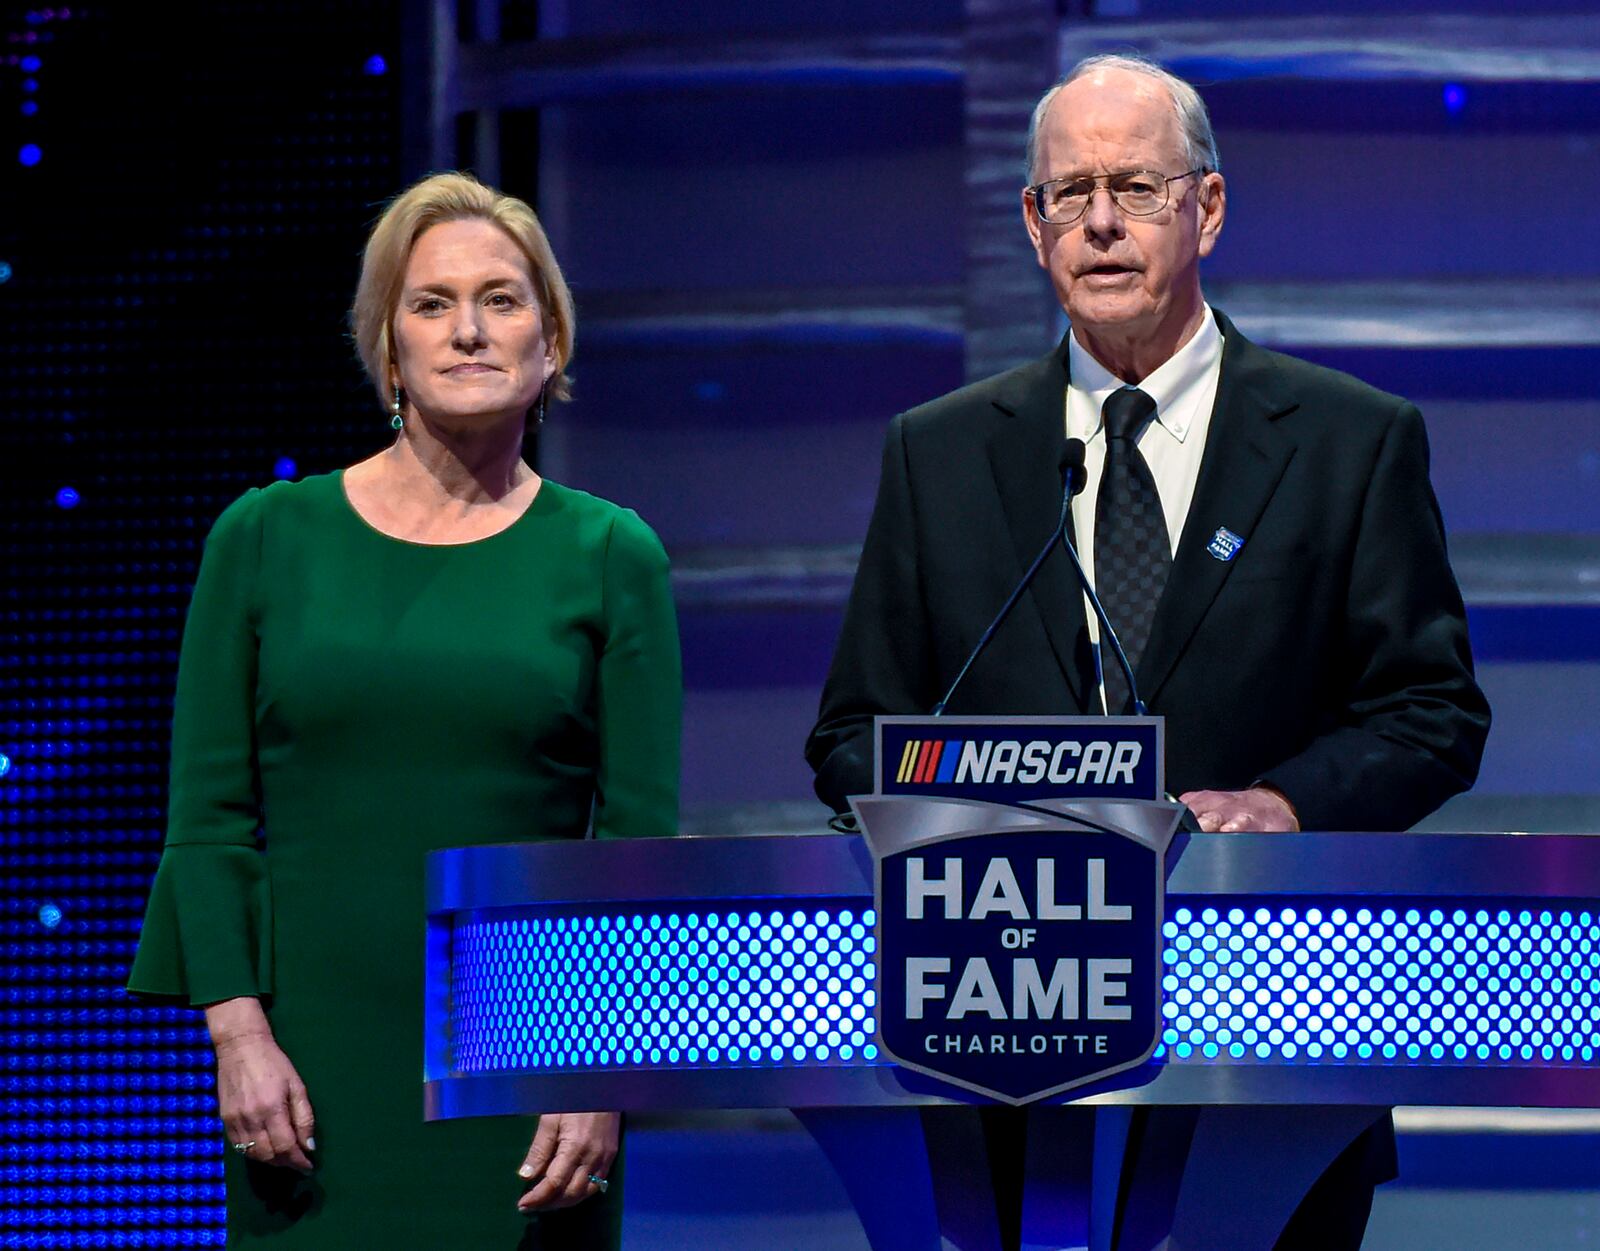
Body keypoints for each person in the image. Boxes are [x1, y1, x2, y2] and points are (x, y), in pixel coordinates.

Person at [806, 54, 1489, 1249]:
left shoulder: (1347, 441)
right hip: (991, 1045)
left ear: (1207, 209)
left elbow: (1430, 712)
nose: (1102, 223)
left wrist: (1282, 801)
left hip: (1268, 1035)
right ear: (1031, 225)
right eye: (1069, 195)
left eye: (1135, 186)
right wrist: (983, 815)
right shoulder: (941, 453)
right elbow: (854, 730)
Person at [128, 171, 681, 1248]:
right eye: (431, 304)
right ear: (388, 348)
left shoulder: (612, 554)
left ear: (550, 344)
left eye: (502, 300)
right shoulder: (264, 539)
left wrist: (599, 1072)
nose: (468, 330)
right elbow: (204, 819)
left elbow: (634, 845)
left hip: (531, 1070)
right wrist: (236, 1033)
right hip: (306, 1076)